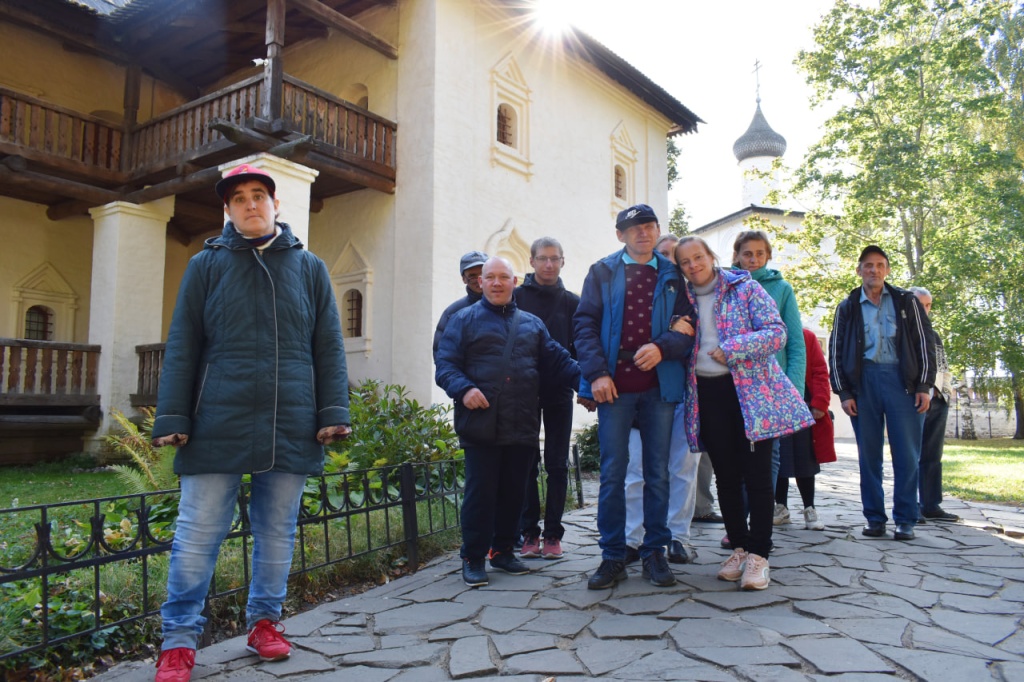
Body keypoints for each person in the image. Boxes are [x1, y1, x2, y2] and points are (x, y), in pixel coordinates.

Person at [150, 164, 351, 682]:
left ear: (275, 204)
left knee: (276, 532)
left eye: (258, 195)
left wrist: (332, 413)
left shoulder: (310, 268)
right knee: (197, 534)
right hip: (218, 417)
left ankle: (265, 623)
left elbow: (327, 346)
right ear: (227, 210)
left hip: (291, 418)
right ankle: (177, 640)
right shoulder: (205, 266)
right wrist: (173, 415)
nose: (250, 204)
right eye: (238, 198)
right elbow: (184, 344)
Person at [674, 236, 813, 591]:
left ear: (711, 256)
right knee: (725, 476)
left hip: (750, 396)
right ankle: (738, 548)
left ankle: (759, 555)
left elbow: (776, 333)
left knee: (757, 477)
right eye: (685, 261)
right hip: (707, 394)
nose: (693, 265)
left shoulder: (743, 287)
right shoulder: (681, 297)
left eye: (698, 257)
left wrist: (733, 348)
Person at [435, 257, 580, 587]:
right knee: (480, 494)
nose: (497, 283)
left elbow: (559, 360)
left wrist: (591, 383)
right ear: (481, 283)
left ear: (515, 281)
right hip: (481, 422)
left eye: (503, 277)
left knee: (515, 493)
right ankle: (473, 556)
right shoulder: (463, 320)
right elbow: (445, 366)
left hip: (522, 421)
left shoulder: (532, 324)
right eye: (490, 278)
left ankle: (502, 552)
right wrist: (464, 388)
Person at [574, 204, 694, 590]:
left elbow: (688, 325)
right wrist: (596, 374)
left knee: (658, 473)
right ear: (620, 235)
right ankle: (612, 556)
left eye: (649, 226)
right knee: (613, 475)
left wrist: (662, 347)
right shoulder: (603, 271)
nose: (643, 232)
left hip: (659, 388)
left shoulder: (674, 274)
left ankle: (654, 552)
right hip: (614, 388)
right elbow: (585, 325)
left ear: (658, 230)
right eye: (634, 227)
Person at [829, 245, 936, 542]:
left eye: (879, 265)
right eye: (868, 265)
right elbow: (836, 350)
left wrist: (925, 385)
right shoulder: (848, 305)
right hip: (865, 385)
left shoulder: (907, 301)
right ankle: (874, 518)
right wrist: (845, 393)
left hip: (904, 384)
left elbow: (923, 344)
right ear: (859, 270)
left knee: (907, 455)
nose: (874, 270)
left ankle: (906, 519)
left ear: (887, 270)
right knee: (869, 456)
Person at [622, 232, 703, 566]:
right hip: (646, 393)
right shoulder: (641, 293)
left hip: (688, 392)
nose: (669, 262)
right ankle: (632, 537)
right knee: (637, 468)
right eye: (664, 255)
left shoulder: (696, 297)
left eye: (676, 257)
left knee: (682, 467)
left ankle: (678, 536)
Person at [731, 230, 806, 527]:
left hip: (770, 386)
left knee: (769, 455)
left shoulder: (782, 289)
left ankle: (756, 520)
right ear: (737, 255)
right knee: (736, 456)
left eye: (759, 254)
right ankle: (738, 519)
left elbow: (795, 343)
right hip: (734, 383)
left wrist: (794, 389)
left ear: (768, 256)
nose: (753, 259)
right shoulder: (726, 285)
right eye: (747, 253)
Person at [515, 238, 580, 560]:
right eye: (543, 259)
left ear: (563, 262)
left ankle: (553, 533)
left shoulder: (572, 302)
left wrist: (585, 386)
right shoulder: (515, 299)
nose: (549, 265)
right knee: (527, 463)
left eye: (555, 259)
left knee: (557, 464)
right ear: (532, 261)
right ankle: (529, 532)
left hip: (559, 392)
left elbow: (581, 346)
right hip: (522, 395)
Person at [775, 329, 837, 530]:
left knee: (805, 461)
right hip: (775, 410)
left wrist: (820, 403)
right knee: (779, 461)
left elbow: (820, 370)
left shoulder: (807, 337)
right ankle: (780, 507)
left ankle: (809, 508)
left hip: (804, 408)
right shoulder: (768, 335)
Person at [909, 286, 959, 523]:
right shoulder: (903, 333)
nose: (925, 310)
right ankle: (909, 506)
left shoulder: (933, 333)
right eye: (921, 304)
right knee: (910, 455)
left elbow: (942, 365)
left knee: (932, 455)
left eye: (929, 305)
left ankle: (930, 505)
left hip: (938, 400)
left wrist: (946, 393)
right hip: (913, 401)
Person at [432, 250, 489, 358]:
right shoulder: (452, 312)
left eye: (483, 274)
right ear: (464, 279)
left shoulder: (506, 306)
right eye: (472, 276)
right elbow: (442, 356)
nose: (479, 280)